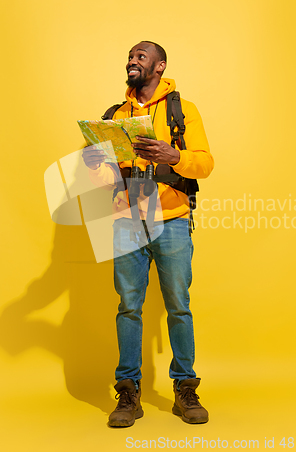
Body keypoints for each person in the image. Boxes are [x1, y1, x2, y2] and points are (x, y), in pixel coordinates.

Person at [82, 41, 214, 427]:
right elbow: (105, 179)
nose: (132, 61)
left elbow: (205, 163)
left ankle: (185, 389)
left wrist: (174, 157)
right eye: (130, 57)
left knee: (178, 305)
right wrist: (96, 164)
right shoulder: (114, 115)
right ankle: (128, 393)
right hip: (126, 220)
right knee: (128, 307)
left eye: (141, 56)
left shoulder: (182, 110)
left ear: (160, 66)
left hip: (172, 219)